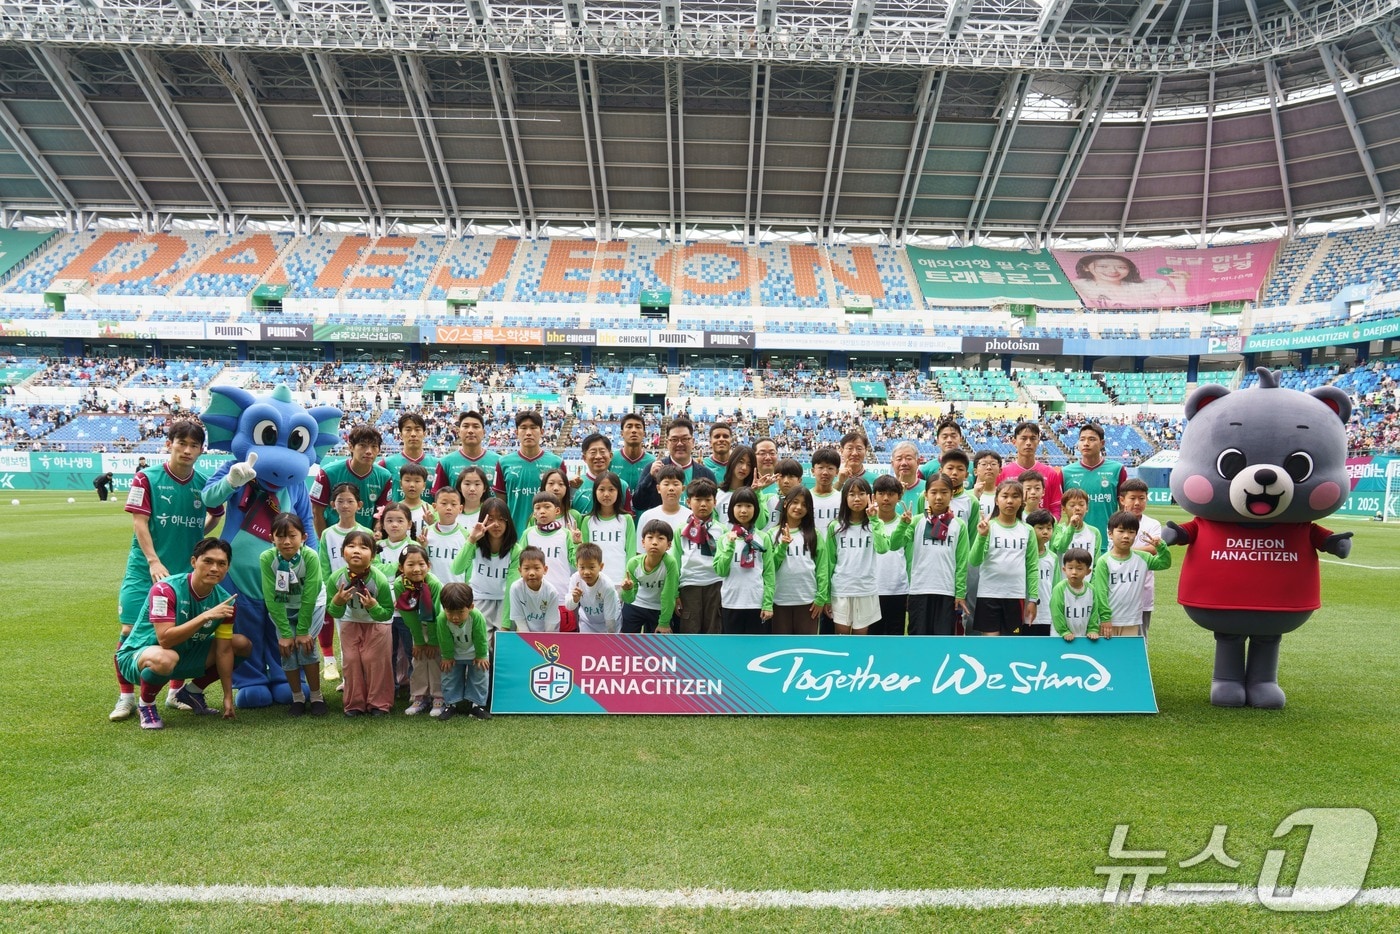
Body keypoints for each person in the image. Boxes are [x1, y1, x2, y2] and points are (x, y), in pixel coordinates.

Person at [111, 419, 225, 721]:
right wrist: (153, 560)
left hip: (184, 574)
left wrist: (197, 536)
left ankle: (175, 693)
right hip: (145, 570)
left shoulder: (205, 484)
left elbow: (216, 514)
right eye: (181, 443)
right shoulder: (146, 478)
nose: (187, 450)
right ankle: (126, 697)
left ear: (201, 450)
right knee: (129, 630)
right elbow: (139, 522)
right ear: (169, 444)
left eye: (193, 445)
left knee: (183, 633)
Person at [115, 538, 250, 729]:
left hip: (182, 654)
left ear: (227, 568)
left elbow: (224, 651)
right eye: (208, 561)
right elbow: (165, 639)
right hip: (139, 656)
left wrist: (227, 696)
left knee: (241, 644)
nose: (214, 568)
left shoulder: (225, 601)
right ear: (194, 562)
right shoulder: (164, 589)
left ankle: (192, 692)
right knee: (166, 657)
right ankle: (146, 705)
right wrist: (206, 616)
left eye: (221, 564)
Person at [260, 512, 327, 717]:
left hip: (312, 606)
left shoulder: (310, 556)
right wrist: (285, 633)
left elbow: (310, 594)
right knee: (287, 649)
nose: (287, 542)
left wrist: (303, 630)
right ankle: (297, 698)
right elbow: (271, 597)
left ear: (303, 537)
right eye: (280, 536)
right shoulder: (267, 558)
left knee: (306, 647)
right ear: (271, 538)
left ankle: (316, 697)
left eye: (292, 535)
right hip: (283, 607)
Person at [816, 477, 900, 635]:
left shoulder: (875, 523)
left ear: (869, 497)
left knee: (860, 639)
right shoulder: (836, 526)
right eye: (851, 494)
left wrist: (874, 519)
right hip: (841, 589)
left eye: (862, 494)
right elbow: (830, 563)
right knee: (841, 637)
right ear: (845, 498)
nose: (857, 498)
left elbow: (883, 548)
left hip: (866, 590)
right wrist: (826, 596)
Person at [325, 529, 395, 716]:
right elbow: (333, 612)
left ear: (372, 556)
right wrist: (337, 602)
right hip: (350, 622)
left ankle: (379, 703)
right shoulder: (336, 578)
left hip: (377, 625)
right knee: (351, 661)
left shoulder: (379, 580)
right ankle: (354, 703)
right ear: (343, 552)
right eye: (351, 546)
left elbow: (387, 612)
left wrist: (373, 607)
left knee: (375, 661)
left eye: (364, 547)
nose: (356, 550)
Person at [968, 479, 1039, 636]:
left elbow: (1033, 567)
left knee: (1011, 644)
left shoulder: (1027, 530)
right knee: (991, 643)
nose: (1010, 501)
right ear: (996, 500)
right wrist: (981, 536)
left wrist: (1033, 599)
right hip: (988, 595)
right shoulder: (988, 526)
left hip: (1015, 596)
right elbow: (974, 560)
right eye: (1005, 496)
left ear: (1022, 501)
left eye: (1015, 496)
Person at [316, 482, 371, 681]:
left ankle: (366, 678)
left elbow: (372, 565)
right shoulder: (328, 534)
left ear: (359, 505)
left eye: (350, 501)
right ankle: (349, 681)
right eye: (340, 501)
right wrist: (332, 593)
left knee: (365, 638)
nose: (345, 505)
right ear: (333, 504)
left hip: (363, 593)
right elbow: (324, 566)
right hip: (340, 593)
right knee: (345, 637)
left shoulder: (366, 533)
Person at [903, 473, 970, 636]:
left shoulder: (959, 525)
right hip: (919, 590)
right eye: (933, 492)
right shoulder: (915, 521)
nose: (939, 497)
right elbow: (896, 544)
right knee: (918, 639)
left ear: (951, 494)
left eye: (944, 492)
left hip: (946, 592)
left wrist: (960, 593)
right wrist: (902, 525)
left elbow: (962, 562)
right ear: (926, 495)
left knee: (943, 641)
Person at [1092, 510, 1171, 638]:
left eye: (1131, 532)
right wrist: (1105, 618)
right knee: (1107, 651)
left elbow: (1164, 563)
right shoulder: (1104, 561)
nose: (1126, 536)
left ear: (1136, 534)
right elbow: (1100, 592)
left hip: (1132, 620)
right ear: (1110, 534)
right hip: (1108, 621)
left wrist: (1161, 547)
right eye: (1121, 531)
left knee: (1128, 651)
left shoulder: (1143, 558)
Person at [391, 543, 445, 717]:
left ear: (428, 565)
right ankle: (419, 696)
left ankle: (439, 696)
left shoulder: (433, 584)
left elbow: (436, 615)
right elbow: (408, 616)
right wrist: (420, 642)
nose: (416, 569)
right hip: (416, 626)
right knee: (418, 658)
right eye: (410, 564)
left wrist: (433, 641)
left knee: (435, 658)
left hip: (437, 625)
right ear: (401, 567)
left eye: (421, 564)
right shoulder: (399, 584)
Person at [713, 488, 776, 634]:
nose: (743, 510)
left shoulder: (763, 538)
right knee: (733, 645)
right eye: (739, 505)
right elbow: (721, 571)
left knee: (756, 645)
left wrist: (767, 604)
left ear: (755, 509)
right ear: (731, 509)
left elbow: (769, 573)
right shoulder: (724, 538)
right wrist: (730, 546)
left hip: (756, 603)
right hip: (731, 602)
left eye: (748, 506)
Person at [311, 425, 393, 537]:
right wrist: (325, 541)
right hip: (335, 540)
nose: (369, 451)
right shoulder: (327, 473)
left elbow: (380, 514)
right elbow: (317, 511)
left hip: (365, 542)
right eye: (362, 445)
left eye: (374, 446)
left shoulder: (385, 476)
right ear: (351, 447)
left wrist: (374, 538)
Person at [492, 410, 563, 537]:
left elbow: (563, 502)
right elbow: (500, 503)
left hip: (548, 536)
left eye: (533, 427)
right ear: (516, 432)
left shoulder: (556, 463)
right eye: (523, 428)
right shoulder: (503, 463)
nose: (528, 432)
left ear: (542, 432)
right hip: (514, 536)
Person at [452, 497, 518, 633]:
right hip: (479, 600)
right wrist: (471, 539)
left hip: (505, 602)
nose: (496, 524)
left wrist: (505, 624)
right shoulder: (475, 544)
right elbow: (457, 569)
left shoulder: (515, 550)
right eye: (491, 519)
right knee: (482, 643)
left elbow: (511, 589)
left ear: (508, 521)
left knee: (501, 643)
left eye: (501, 519)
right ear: (483, 520)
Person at [516, 491, 578, 631]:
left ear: (557, 511)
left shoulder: (566, 534)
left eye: (547, 507)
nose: (542, 511)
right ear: (533, 513)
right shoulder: (528, 534)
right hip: (534, 599)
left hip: (561, 597)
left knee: (564, 640)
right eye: (538, 508)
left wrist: (577, 543)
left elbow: (576, 562)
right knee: (536, 640)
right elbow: (520, 564)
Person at [1060, 422, 1127, 548]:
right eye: (1082, 439)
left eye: (1091, 439)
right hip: (1074, 544)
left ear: (1102, 443)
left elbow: (1124, 509)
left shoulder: (1117, 470)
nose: (1086, 443)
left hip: (1107, 544)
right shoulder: (1066, 473)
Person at [671, 478, 725, 635]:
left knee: (714, 628)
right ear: (688, 502)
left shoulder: (722, 531)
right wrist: (675, 594)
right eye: (698, 500)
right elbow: (675, 563)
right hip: (689, 585)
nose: (703, 504)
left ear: (715, 502)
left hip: (716, 585)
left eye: (708, 500)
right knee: (690, 629)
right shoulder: (681, 530)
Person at [632, 415, 716, 512]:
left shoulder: (706, 474)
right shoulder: (653, 469)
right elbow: (638, 504)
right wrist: (651, 478)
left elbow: (713, 509)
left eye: (685, 439)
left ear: (693, 442)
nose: (680, 444)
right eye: (674, 439)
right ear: (667, 443)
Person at [435, 582, 491, 721]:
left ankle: (477, 705)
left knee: (479, 676)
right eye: (450, 612)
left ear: (471, 607)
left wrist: (481, 655)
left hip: (476, 652)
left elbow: (481, 637)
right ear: (444, 608)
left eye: (460, 612)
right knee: (449, 676)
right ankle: (451, 704)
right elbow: (444, 639)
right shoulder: (442, 619)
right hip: (454, 653)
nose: (455, 617)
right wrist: (447, 657)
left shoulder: (476, 617)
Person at [770, 488, 822, 636]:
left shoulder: (814, 534)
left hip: (808, 601)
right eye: (795, 502)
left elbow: (822, 568)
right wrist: (782, 547)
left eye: (804, 505)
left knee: (806, 646)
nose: (799, 507)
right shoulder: (772, 534)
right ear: (785, 503)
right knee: (781, 646)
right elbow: (770, 568)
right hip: (779, 601)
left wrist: (821, 598)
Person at [1118, 478, 1163, 634]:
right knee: (1115, 635)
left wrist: (1126, 551)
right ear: (1122, 500)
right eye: (1132, 498)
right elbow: (1114, 549)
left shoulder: (1153, 524)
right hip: (1117, 589)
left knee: (1141, 636)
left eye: (1141, 498)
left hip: (1143, 589)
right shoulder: (1114, 521)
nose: (1137, 503)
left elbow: (1154, 549)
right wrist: (1141, 551)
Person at [620, 520, 680, 634]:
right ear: (643, 542)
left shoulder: (670, 563)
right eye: (650, 537)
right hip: (636, 605)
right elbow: (629, 599)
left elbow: (669, 594)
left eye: (660, 538)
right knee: (626, 639)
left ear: (669, 545)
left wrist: (664, 623)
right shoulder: (633, 563)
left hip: (659, 607)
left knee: (661, 641)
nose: (654, 542)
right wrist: (627, 590)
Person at [870, 474, 911, 635]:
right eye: (881, 493)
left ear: (899, 496)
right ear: (874, 496)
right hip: (871, 590)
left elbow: (909, 557)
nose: (886, 498)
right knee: (872, 637)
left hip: (898, 590)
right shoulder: (868, 523)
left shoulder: (906, 523)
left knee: (895, 637)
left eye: (891, 494)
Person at [997, 421, 1062, 519]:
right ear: (1014, 442)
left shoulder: (1050, 473)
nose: (1028, 443)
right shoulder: (1002, 473)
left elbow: (1056, 507)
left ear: (1038, 442)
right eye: (1023, 438)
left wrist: (1049, 525)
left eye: (1033, 438)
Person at [1073, 253, 1187, 309]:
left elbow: (1177, 308)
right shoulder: (1078, 286)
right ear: (1086, 268)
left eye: (1121, 267)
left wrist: (1180, 285)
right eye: (1103, 266)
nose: (1113, 271)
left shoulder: (1153, 284)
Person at [578, 472, 634, 582]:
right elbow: (584, 554)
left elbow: (631, 552)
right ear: (595, 492)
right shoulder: (588, 521)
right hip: (595, 580)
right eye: (601, 489)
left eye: (611, 489)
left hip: (620, 580)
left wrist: (627, 577)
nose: (606, 494)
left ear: (618, 492)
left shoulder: (626, 519)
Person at [433, 410, 499, 496]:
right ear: (459, 432)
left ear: (483, 433)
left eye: (476, 426)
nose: (470, 431)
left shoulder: (499, 462)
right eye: (466, 426)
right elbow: (439, 497)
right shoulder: (445, 463)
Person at [1050, 548, 1108, 642]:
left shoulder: (1091, 590)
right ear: (1064, 569)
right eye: (1070, 568)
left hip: (1083, 639)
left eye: (1079, 568)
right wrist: (1064, 631)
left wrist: (1093, 629)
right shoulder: (1059, 589)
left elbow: (1094, 612)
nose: (1074, 572)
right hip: (1060, 638)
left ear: (1088, 571)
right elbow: (1056, 613)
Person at [381, 412, 439, 500]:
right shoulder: (386, 464)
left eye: (417, 429)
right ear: (401, 435)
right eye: (408, 430)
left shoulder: (438, 464)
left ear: (424, 434)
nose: (413, 434)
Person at [566, 542, 622, 634]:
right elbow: (569, 607)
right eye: (582, 567)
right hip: (587, 622)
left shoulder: (607, 586)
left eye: (591, 567)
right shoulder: (575, 579)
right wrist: (575, 599)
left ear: (601, 566)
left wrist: (611, 637)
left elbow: (610, 619)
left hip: (608, 623)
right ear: (577, 566)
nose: (586, 572)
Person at [571, 433, 630, 515]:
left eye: (602, 452)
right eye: (593, 452)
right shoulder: (574, 485)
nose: (598, 456)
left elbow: (628, 515)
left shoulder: (622, 485)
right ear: (584, 458)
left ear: (610, 456)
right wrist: (572, 489)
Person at [507, 546, 561, 632]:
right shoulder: (515, 588)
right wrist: (528, 639)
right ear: (520, 571)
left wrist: (543, 639)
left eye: (536, 568)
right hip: (525, 634)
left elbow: (550, 626)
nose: (531, 573)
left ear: (545, 569)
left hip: (548, 633)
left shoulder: (552, 592)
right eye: (526, 568)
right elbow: (519, 619)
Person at [422, 486, 469, 585]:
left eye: (453, 504)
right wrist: (423, 546)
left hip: (456, 590)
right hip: (432, 589)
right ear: (435, 507)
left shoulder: (466, 536)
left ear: (460, 508)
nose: (448, 508)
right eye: (444, 503)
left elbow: (470, 566)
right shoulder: (426, 532)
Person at [1025, 508, 1059, 636]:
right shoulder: (1023, 556)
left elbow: (1055, 586)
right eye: (1040, 528)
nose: (1045, 532)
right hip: (1025, 613)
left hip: (1046, 615)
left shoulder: (1053, 558)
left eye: (1049, 528)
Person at [610, 412, 656, 497]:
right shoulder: (610, 459)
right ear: (621, 433)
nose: (634, 430)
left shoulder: (653, 462)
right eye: (629, 426)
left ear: (644, 434)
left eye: (638, 427)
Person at [1051, 488, 1102, 565]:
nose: (1077, 508)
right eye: (1072, 505)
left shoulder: (1094, 532)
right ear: (1063, 509)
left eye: (1081, 504)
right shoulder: (1058, 529)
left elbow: (1096, 563)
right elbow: (1061, 547)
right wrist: (1071, 526)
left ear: (1087, 508)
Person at [637, 464, 691, 534]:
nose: (671, 488)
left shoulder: (690, 517)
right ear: (658, 488)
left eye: (675, 484)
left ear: (683, 489)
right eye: (666, 484)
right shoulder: (647, 516)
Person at [714, 444, 757, 522]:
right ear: (732, 462)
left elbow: (760, 524)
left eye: (749, 464)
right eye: (740, 462)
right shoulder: (717, 494)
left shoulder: (756, 494)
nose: (744, 468)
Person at [394, 463, 435, 530]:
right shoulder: (394, 509)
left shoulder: (430, 510)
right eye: (407, 480)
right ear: (401, 484)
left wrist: (431, 523)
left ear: (424, 485)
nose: (412, 485)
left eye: (417, 481)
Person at [703, 421, 734, 485]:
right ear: (710, 442)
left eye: (725, 436)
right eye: (717, 436)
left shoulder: (737, 464)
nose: (721, 439)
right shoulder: (703, 465)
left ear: (731, 441)